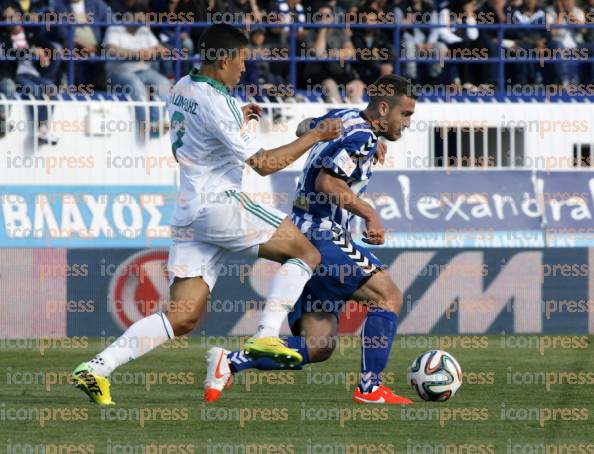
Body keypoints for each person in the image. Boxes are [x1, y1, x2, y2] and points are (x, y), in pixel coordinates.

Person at [71, 24, 341, 405]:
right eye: (242, 62)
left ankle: (97, 367)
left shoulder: (182, 86)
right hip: (220, 205)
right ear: (223, 60)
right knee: (306, 253)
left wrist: (237, 118)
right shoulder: (221, 103)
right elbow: (264, 164)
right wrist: (315, 136)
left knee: (181, 317)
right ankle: (266, 332)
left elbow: (207, 125)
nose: (244, 69)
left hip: (190, 213)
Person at [206, 75, 417, 405]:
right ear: (385, 108)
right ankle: (371, 388)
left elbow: (304, 127)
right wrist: (370, 214)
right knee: (387, 297)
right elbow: (327, 183)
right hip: (322, 234)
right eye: (405, 115)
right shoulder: (361, 136)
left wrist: (353, 140)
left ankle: (230, 362)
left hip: (300, 233)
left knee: (319, 346)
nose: (406, 124)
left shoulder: (346, 117)